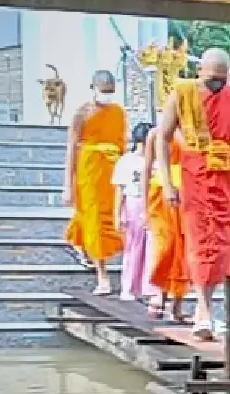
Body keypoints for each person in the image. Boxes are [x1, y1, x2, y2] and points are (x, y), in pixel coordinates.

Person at [154, 47, 230, 339]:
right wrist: (167, 181)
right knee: (200, 241)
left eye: (222, 80)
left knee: (224, 242)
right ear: (200, 72)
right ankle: (202, 309)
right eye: (212, 79)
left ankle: (209, 305)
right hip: (194, 174)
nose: (217, 85)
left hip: (225, 176)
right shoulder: (184, 92)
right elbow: (161, 136)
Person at [65, 70, 127, 295]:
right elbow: (71, 148)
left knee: (111, 218)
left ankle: (83, 245)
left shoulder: (118, 112)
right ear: (93, 88)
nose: (107, 96)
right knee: (94, 220)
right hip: (89, 172)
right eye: (104, 92)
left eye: (111, 92)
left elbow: (121, 143)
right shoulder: (82, 114)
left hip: (113, 172)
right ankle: (103, 276)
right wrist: (67, 184)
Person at [144, 130, 189, 323]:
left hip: (187, 193)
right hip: (161, 193)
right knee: (165, 246)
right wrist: (145, 207)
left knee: (183, 249)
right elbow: (146, 169)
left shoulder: (191, 133)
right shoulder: (155, 134)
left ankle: (178, 303)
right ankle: (160, 294)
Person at [113, 122, 152, 303]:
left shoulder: (156, 160)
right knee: (134, 246)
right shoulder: (128, 161)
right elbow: (120, 189)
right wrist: (117, 213)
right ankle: (129, 287)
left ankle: (147, 288)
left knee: (151, 248)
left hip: (153, 203)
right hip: (134, 202)